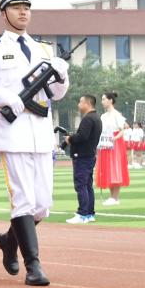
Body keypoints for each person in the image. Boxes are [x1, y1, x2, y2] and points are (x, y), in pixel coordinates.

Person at [0, 0, 69, 287]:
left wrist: (62, 74)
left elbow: (56, 94)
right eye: (17, 7)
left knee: (42, 205)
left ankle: (9, 240)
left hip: (41, 131)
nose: (23, 12)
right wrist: (4, 97)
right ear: (3, 13)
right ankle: (34, 265)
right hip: (13, 131)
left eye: (27, 7)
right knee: (23, 200)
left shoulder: (44, 49)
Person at [64, 95, 102, 224]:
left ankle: (82, 213)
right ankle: (89, 213)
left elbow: (82, 137)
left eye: (80, 102)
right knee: (87, 185)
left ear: (87, 103)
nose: (79, 105)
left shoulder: (88, 119)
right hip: (89, 155)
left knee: (81, 185)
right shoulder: (96, 118)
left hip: (83, 156)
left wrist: (70, 139)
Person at [97, 92, 129, 206]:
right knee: (107, 169)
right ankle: (112, 197)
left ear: (110, 100)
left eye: (104, 99)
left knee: (115, 169)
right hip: (105, 145)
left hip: (115, 144)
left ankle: (115, 197)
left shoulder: (117, 114)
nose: (102, 101)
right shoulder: (103, 116)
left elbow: (123, 130)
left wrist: (114, 138)